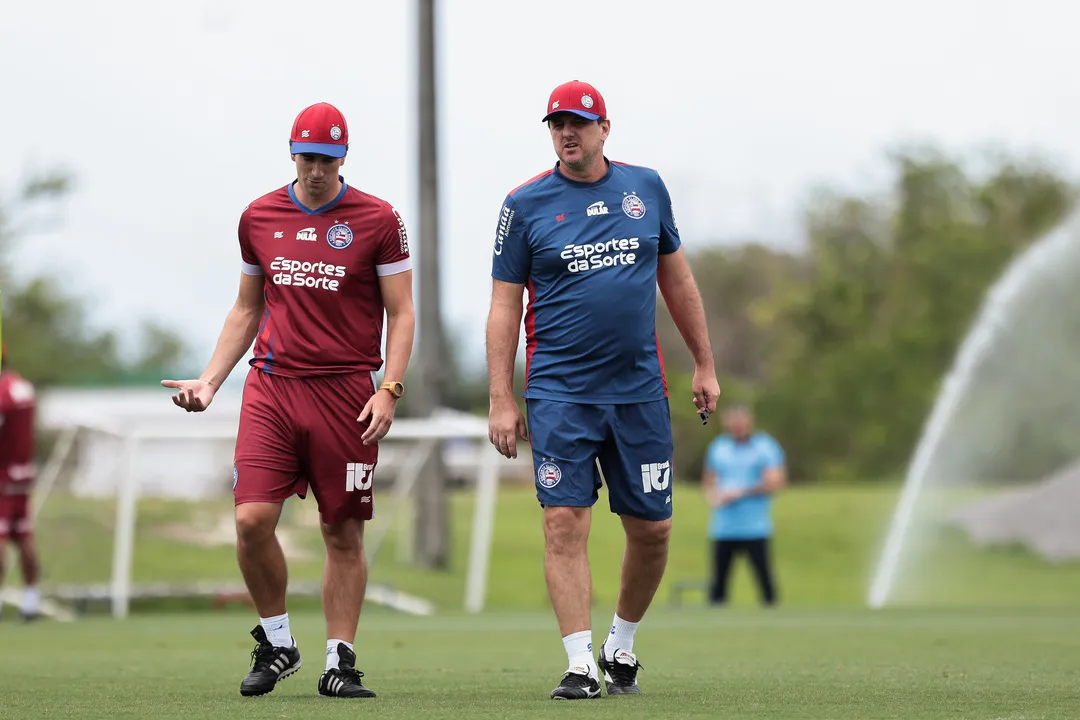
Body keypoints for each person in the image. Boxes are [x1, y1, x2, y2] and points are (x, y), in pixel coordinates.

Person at [161, 102, 415, 699]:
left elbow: (402, 314)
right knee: (251, 520)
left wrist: (389, 389)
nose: (317, 169)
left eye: (327, 159)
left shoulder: (379, 220)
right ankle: (278, 642)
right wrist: (210, 380)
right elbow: (248, 308)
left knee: (342, 530)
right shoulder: (259, 216)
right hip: (272, 389)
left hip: (346, 392)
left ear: (344, 157)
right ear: (292, 154)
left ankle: (340, 661)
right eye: (307, 157)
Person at [486, 80, 720, 700]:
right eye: (558, 124)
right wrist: (500, 397)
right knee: (564, 521)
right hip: (559, 392)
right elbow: (504, 306)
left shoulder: (646, 189)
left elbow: (678, 280)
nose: (568, 133)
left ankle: (621, 646)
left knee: (653, 530)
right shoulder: (524, 204)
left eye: (579, 123)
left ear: (604, 128)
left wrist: (704, 363)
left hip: (639, 392)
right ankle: (578, 664)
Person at [700, 405, 786, 607]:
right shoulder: (719, 447)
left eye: (741, 423)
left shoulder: (765, 447)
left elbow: (775, 482)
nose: (737, 427)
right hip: (723, 528)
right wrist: (714, 496)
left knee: (765, 583)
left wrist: (741, 492)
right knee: (718, 586)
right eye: (733, 423)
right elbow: (709, 481)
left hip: (755, 527)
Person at [0, 343, 42, 622]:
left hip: (2, 477)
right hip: (22, 475)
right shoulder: (23, 386)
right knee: (23, 537)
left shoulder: (2, 392)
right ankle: (30, 603)